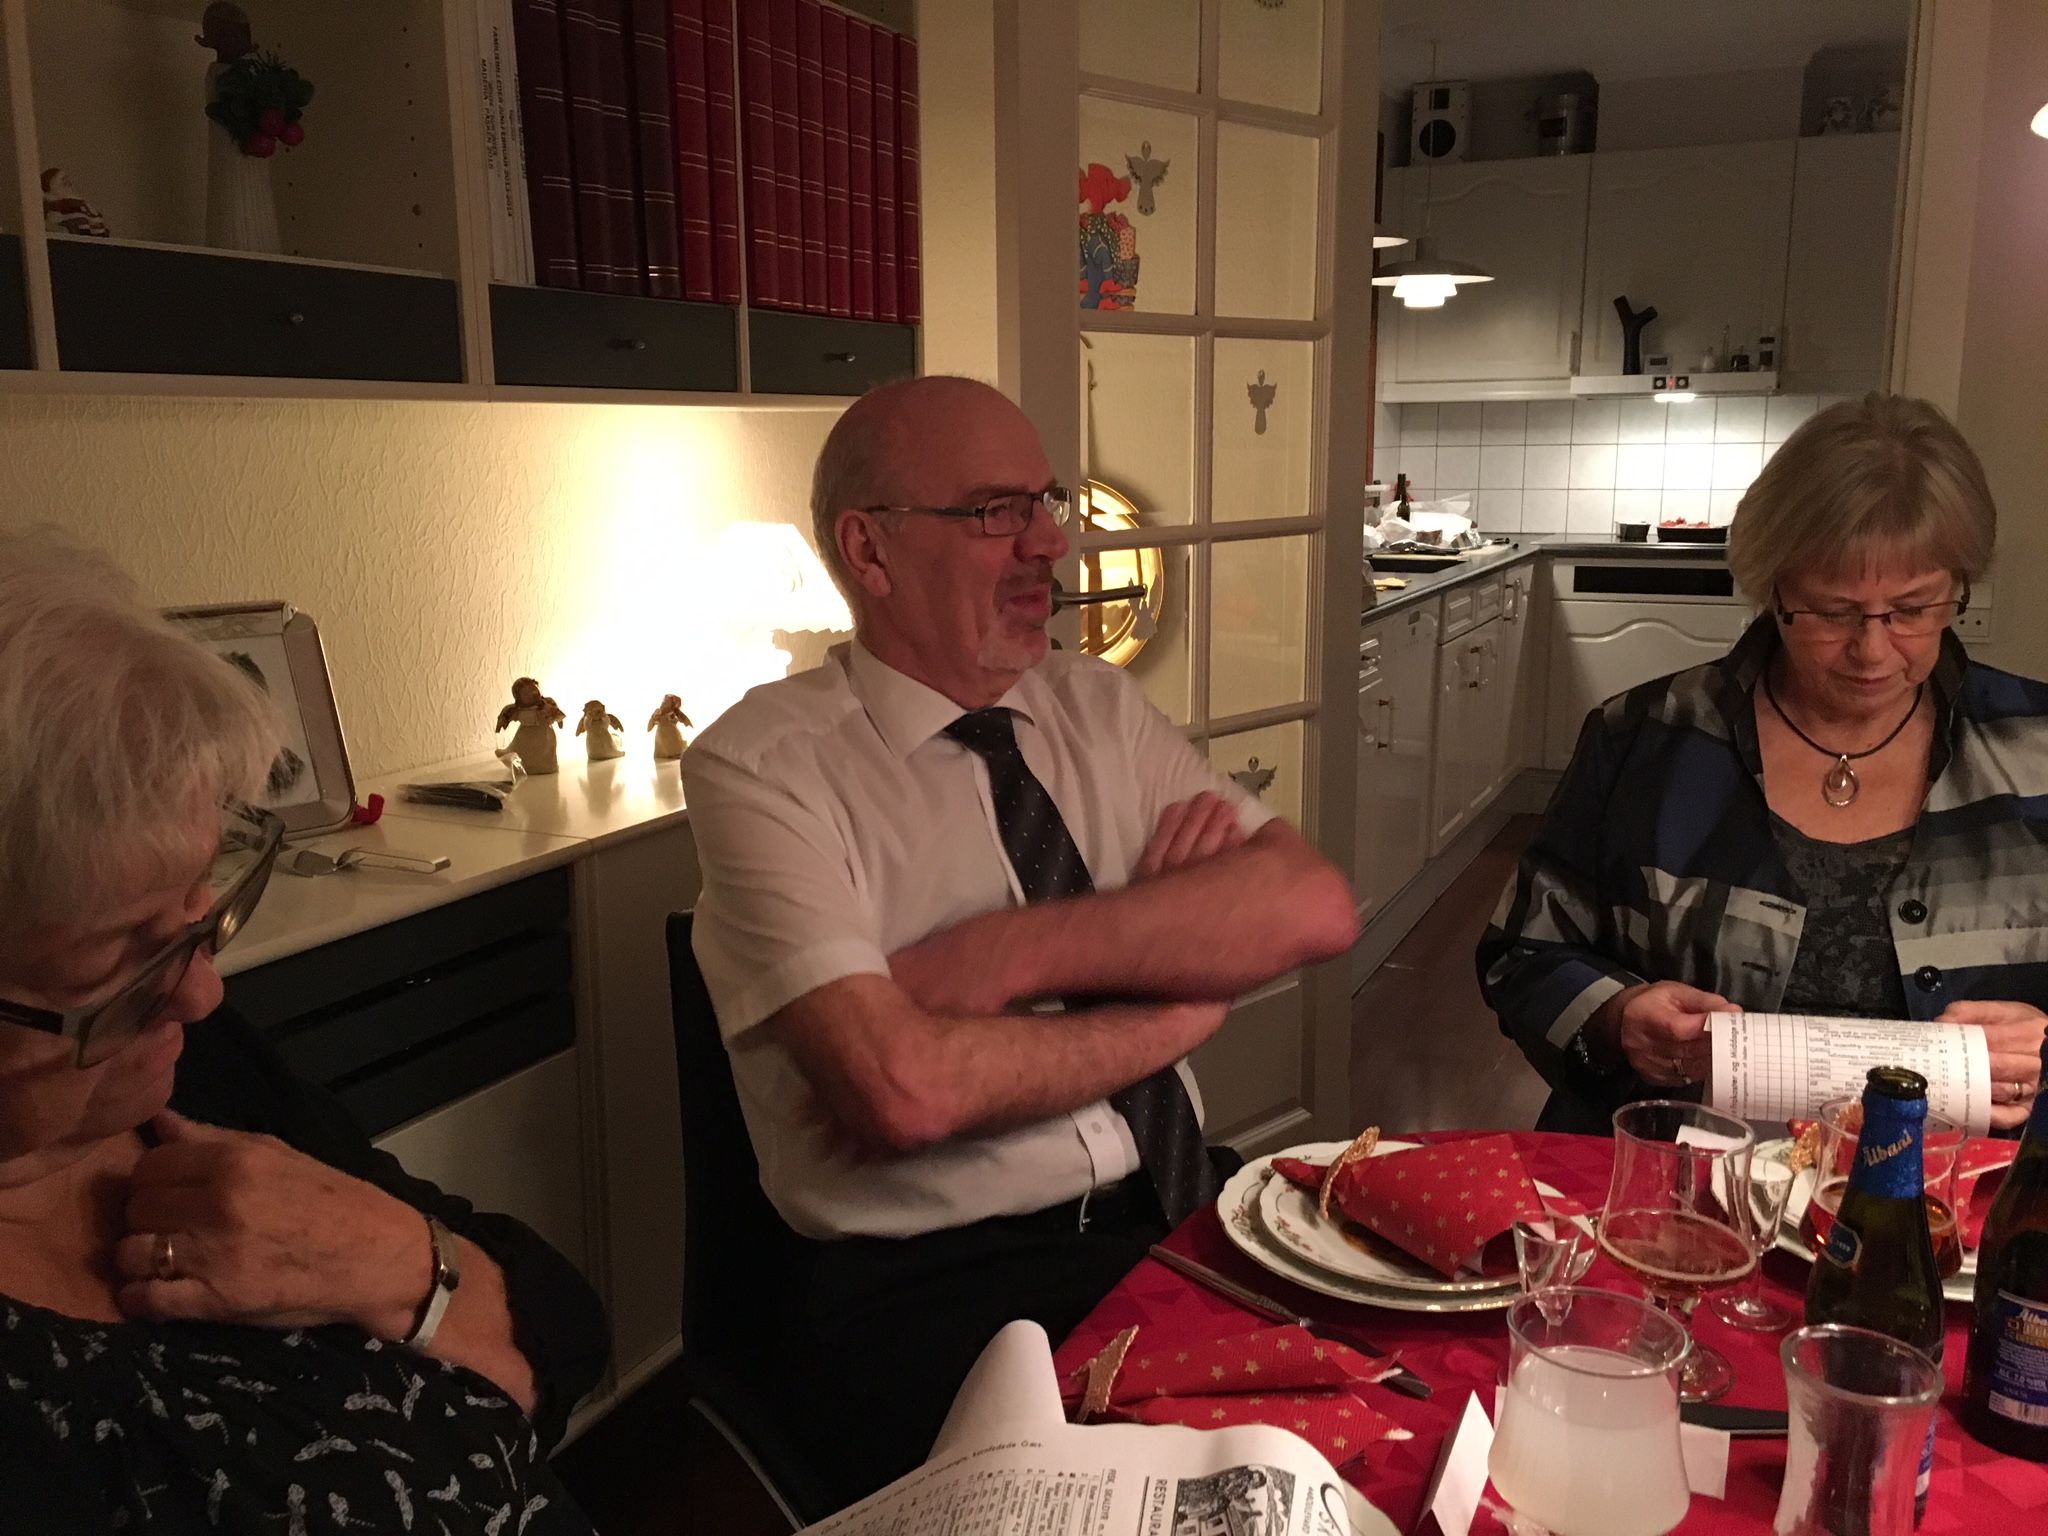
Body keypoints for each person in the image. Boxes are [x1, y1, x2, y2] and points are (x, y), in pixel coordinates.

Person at [683, 376, 1358, 1504]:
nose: (1051, 542)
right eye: (995, 511)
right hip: (942, 1285)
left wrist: (1009, 955)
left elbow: (1311, 908)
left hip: (1181, 1205)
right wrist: (1183, 999)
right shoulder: (761, 768)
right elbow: (906, 1092)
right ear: (870, 549)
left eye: (1046, 502)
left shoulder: (1097, 709)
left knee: (1394, 1422)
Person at [0, 530, 608, 1533]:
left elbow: (571, 1334)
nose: (202, 993)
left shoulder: (194, 1074)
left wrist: (396, 1258)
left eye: (200, 909)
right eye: (122, 960)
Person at [1479, 395, 2048, 1134]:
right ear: (1772, 590)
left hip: (1959, 1191)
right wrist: (1617, 1016)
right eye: (1833, 612)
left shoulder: (2034, 751)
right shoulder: (1644, 739)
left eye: (1913, 609)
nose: (1872, 650)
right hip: (1673, 1177)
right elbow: (1523, 951)